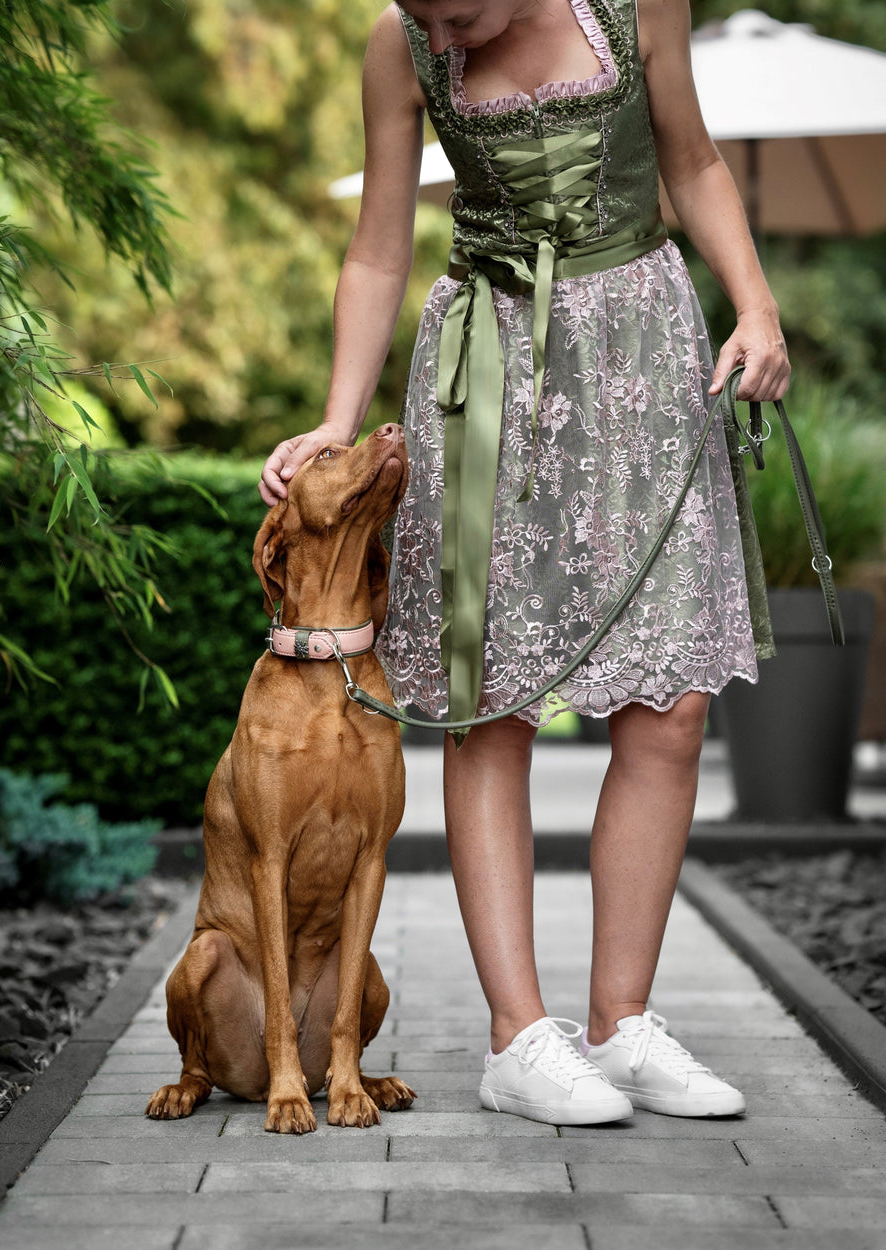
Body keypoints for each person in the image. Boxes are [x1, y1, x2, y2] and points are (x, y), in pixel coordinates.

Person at [260, 0, 789, 1125]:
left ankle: (623, 1024)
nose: (441, 39)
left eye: (456, 12)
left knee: (670, 704)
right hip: (483, 377)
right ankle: (517, 1038)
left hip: (643, 359)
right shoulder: (397, 46)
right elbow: (378, 247)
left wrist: (754, 302)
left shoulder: (639, 4)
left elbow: (690, 161)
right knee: (485, 699)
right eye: (422, 15)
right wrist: (335, 423)